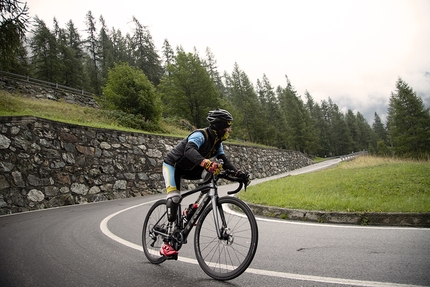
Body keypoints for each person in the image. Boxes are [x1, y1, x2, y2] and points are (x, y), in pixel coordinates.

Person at [160, 109, 248, 257]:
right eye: (227, 127)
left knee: (212, 174)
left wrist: (238, 174)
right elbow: (189, 150)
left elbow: (224, 161)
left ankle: (192, 210)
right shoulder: (200, 135)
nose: (229, 130)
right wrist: (205, 162)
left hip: (191, 168)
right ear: (219, 126)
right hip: (173, 166)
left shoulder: (217, 142)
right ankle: (166, 243)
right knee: (175, 198)